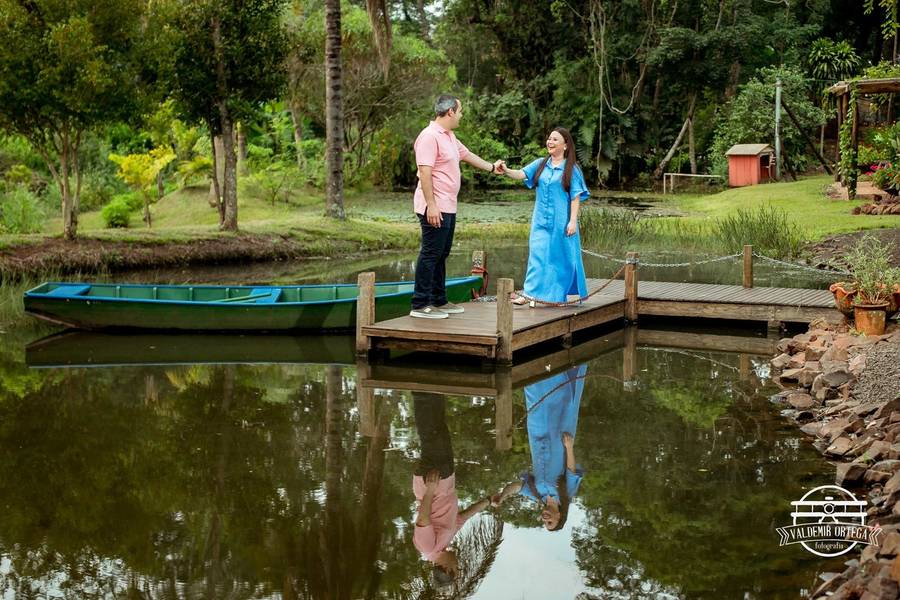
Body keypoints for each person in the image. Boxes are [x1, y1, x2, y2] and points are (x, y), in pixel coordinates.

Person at [410, 94, 505, 319]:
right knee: (430, 253)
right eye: (460, 111)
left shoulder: (449, 136)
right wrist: (431, 206)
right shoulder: (429, 136)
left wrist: (492, 167)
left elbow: (468, 155)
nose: (461, 115)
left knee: (442, 254)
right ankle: (420, 304)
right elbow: (424, 172)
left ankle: (439, 300)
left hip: (448, 205)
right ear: (450, 111)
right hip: (434, 206)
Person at [491, 364, 586, 531]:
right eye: (550, 522)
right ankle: (558, 363)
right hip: (558, 436)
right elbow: (571, 471)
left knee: (535, 401)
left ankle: (533, 364)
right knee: (559, 401)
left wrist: (502, 496)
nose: (545, 520)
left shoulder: (537, 495)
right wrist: (569, 447)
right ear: (560, 516)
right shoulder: (566, 493)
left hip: (537, 435)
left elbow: (517, 487)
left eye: (544, 523)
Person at [500, 127, 590, 306]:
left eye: (555, 139)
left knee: (559, 259)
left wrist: (572, 221)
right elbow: (521, 174)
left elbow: (575, 197)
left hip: (562, 222)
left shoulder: (572, 169)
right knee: (537, 256)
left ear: (565, 145)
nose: (550, 142)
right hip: (540, 221)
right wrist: (506, 170)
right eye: (549, 139)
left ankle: (556, 297)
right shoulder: (541, 163)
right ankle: (529, 294)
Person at [411, 391, 492, 587]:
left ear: (447, 570)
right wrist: (488, 502)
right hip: (445, 479)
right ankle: (433, 385)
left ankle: (420, 386)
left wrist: (430, 490)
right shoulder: (443, 543)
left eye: (457, 568)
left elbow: (423, 519)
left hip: (433, 482)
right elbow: (462, 517)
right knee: (439, 430)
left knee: (431, 433)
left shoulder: (427, 548)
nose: (458, 564)